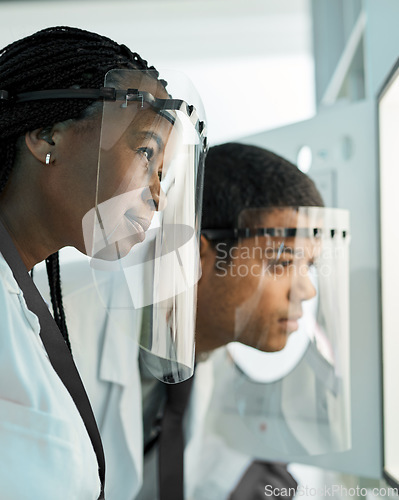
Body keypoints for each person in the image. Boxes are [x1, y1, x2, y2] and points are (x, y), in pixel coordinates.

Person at [35, 142, 327, 499]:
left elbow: (198, 461)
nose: (307, 291)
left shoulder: (205, 353)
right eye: (282, 263)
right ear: (197, 258)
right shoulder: (46, 319)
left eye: (308, 266)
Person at [0, 26, 206, 500]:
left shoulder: (27, 304)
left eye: (162, 175)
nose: (156, 195)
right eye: (145, 153)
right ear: (46, 133)